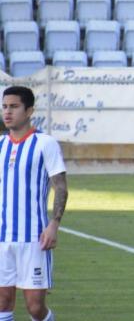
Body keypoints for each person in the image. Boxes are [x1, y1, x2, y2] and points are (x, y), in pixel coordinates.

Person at [0, 86, 68, 321]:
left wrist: (54, 225)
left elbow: (60, 186)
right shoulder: (0, 145)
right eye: (4, 106)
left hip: (33, 238)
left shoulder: (45, 143)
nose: (7, 112)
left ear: (29, 110)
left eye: (14, 106)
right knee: (2, 303)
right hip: (2, 237)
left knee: (35, 307)